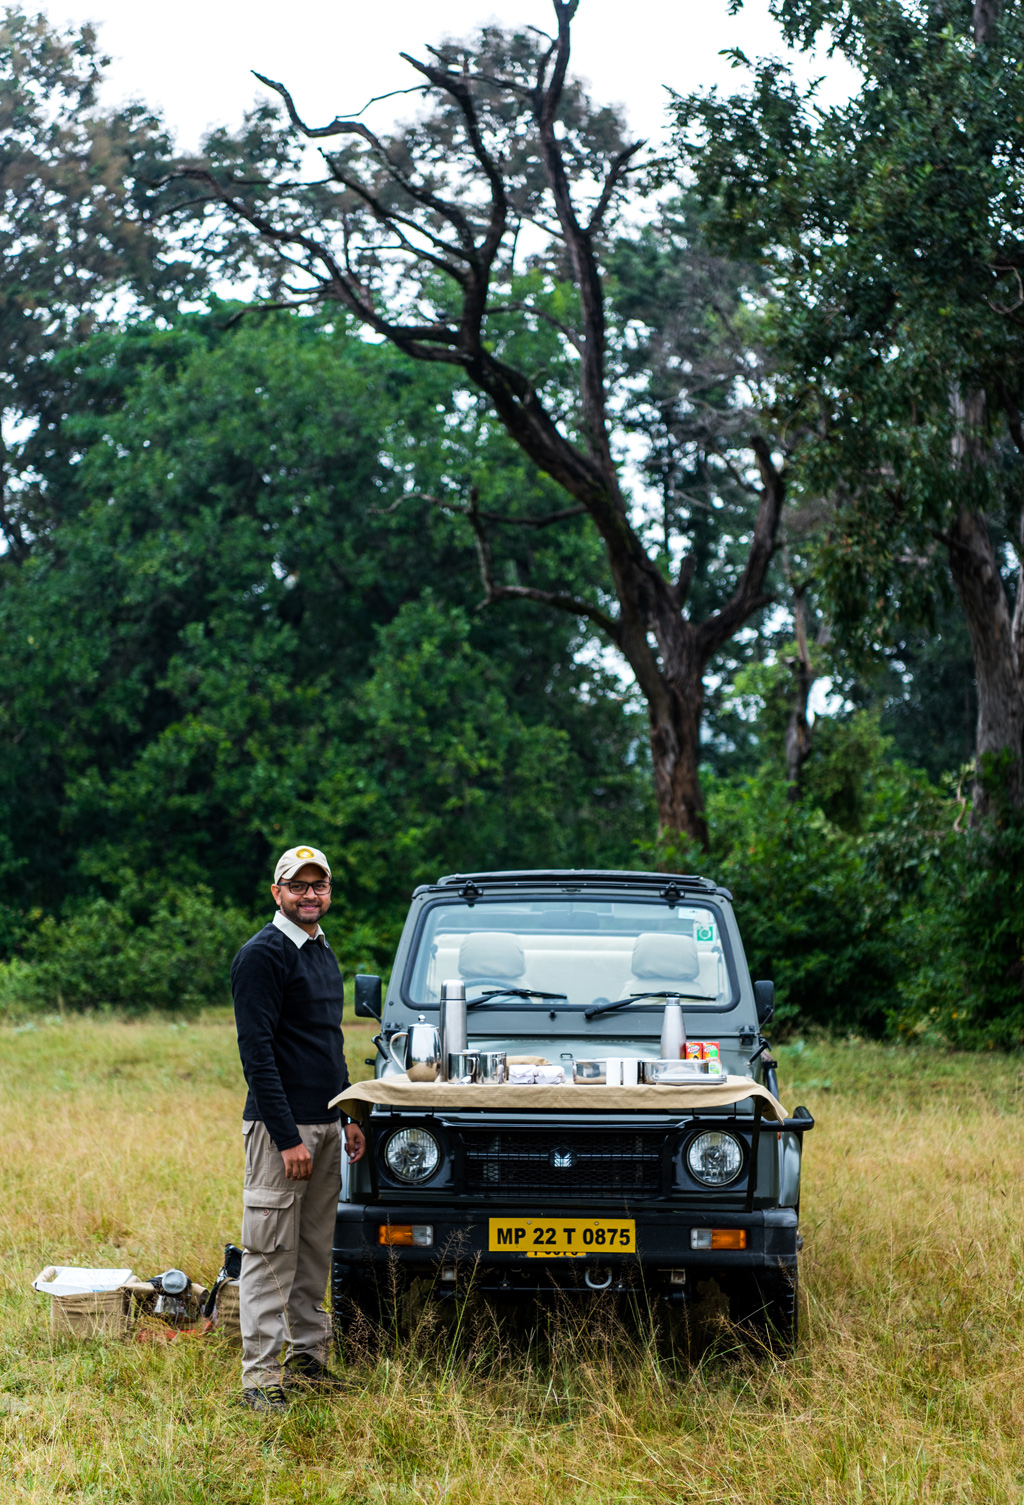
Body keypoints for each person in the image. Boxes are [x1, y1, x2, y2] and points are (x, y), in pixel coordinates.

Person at [231, 844, 365, 1413]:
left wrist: (346, 1114)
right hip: (280, 1133)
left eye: (320, 885)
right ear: (277, 892)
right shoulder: (263, 955)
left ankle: (307, 1360)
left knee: (314, 1251)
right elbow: (257, 1054)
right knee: (269, 1253)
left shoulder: (319, 948)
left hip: (326, 1124)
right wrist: (287, 1138)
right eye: (299, 885)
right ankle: (260, 1381)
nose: (310, 894)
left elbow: (326, 1044)